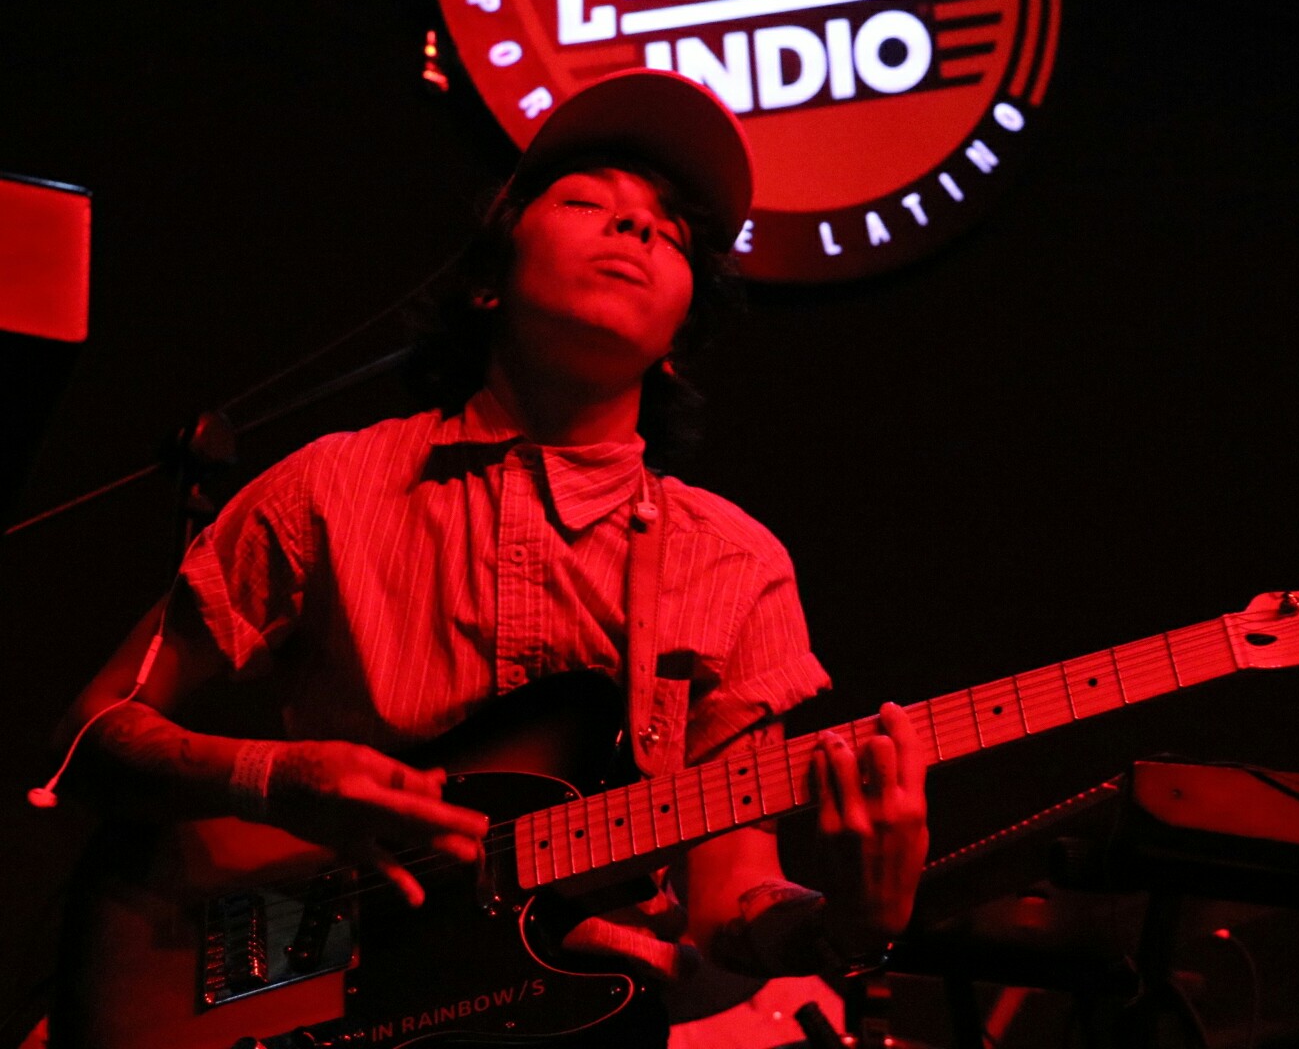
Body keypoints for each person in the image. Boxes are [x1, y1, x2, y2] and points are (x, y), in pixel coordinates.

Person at [50, 69, 929, 1045]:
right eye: (588, 202)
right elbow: (88, 738)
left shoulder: (738, 565)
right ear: (486, 278)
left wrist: (852, 925)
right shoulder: (327, 487)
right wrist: (273, 777)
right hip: (330, 995)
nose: (636, 227)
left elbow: (732, 901)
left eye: (673, 232)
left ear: (681, 335)